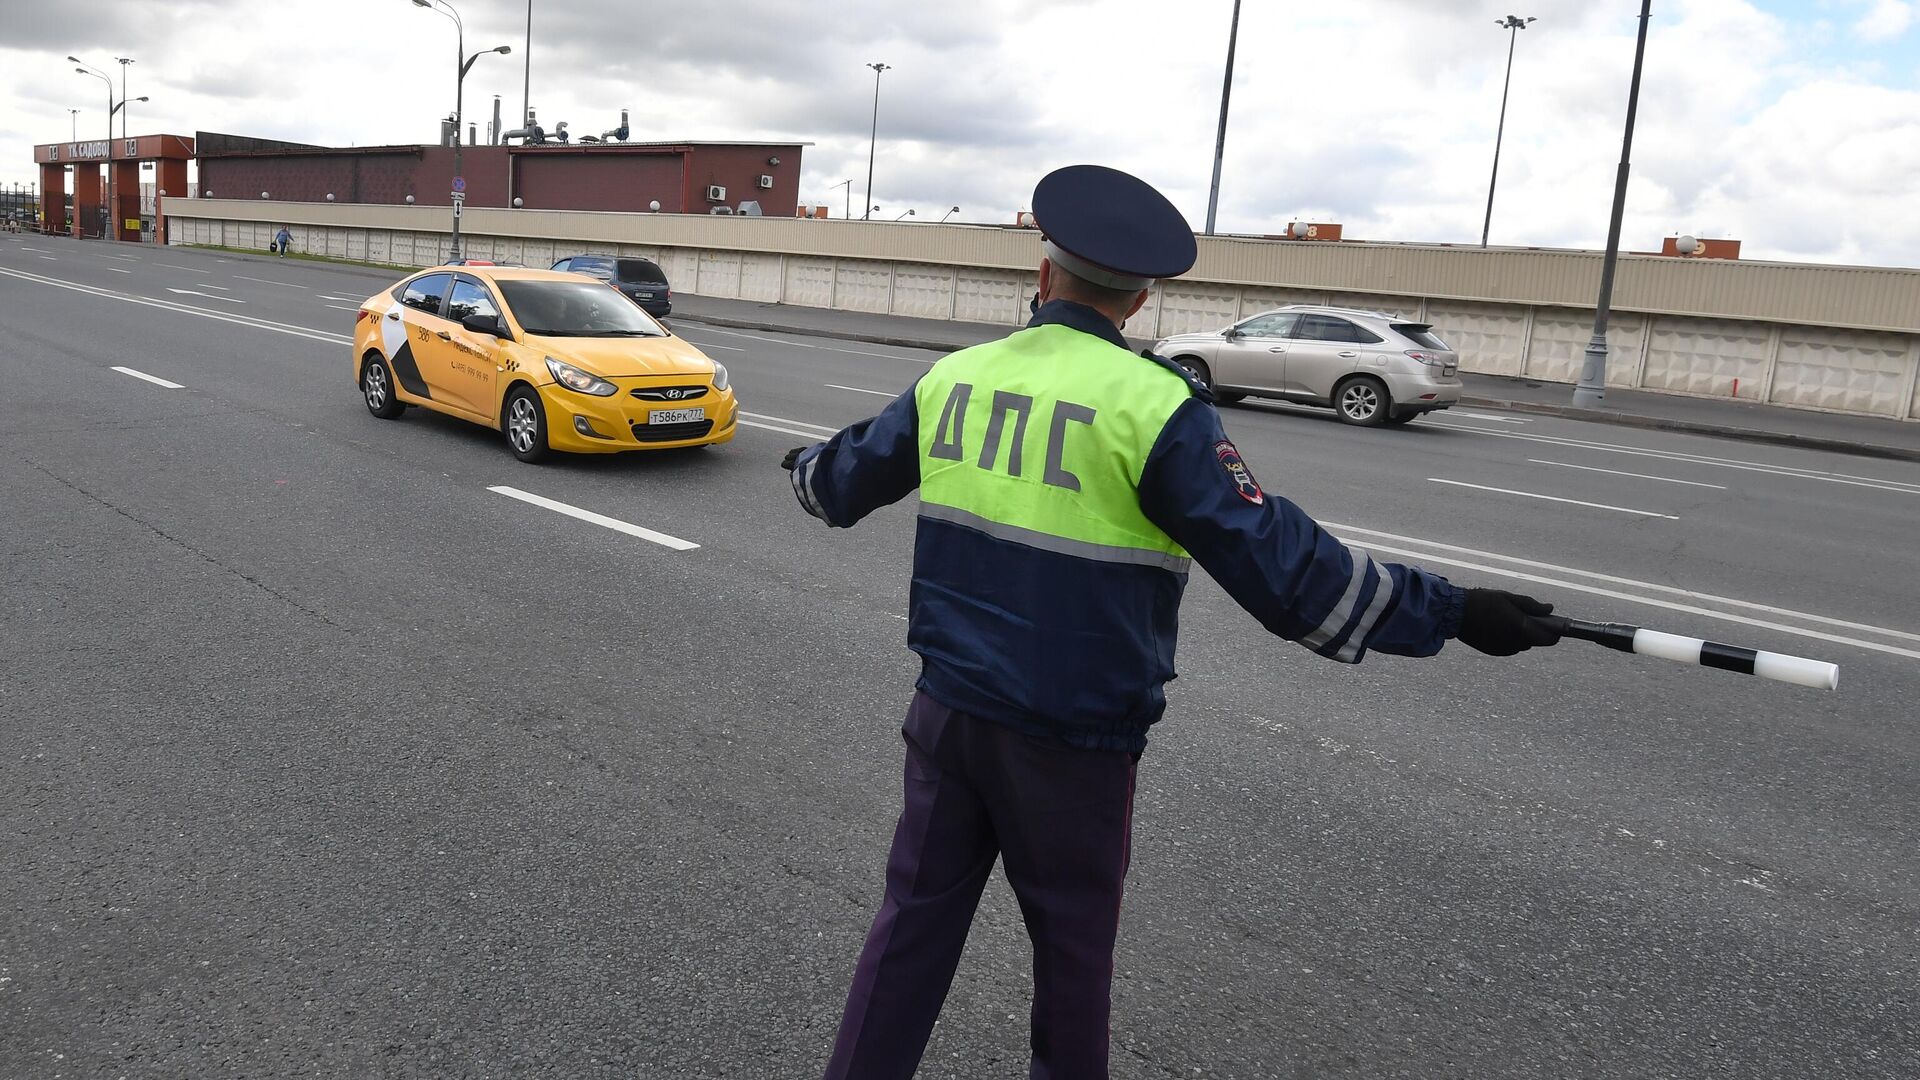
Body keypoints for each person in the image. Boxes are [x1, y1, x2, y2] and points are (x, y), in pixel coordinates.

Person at [781, 164, 1562, 1080]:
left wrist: (801, 462)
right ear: (1142, 298)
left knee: (911, 926)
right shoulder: (1157, 407)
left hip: (949, 711)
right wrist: (1457, 610)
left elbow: (839, 482)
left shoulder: (957, 376)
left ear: (1044, 277)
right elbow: (1288, 576)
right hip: (1074, 742)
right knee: (1071, 958)